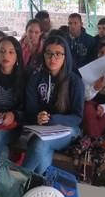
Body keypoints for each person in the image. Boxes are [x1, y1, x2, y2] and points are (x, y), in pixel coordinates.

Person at [23, 35, 85, 174]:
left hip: (69, 130)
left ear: (65, 56)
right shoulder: (35, 78)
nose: (53, 59)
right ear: (43, 55)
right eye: (49, 54)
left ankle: (21, 179)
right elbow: (30, 110)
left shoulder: (74, 81)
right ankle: (43, 186)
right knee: (42, 147)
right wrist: (37, 117)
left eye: (58, 54)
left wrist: (53, 119)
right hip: (41, 129)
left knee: (39, 144)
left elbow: (77, 117)